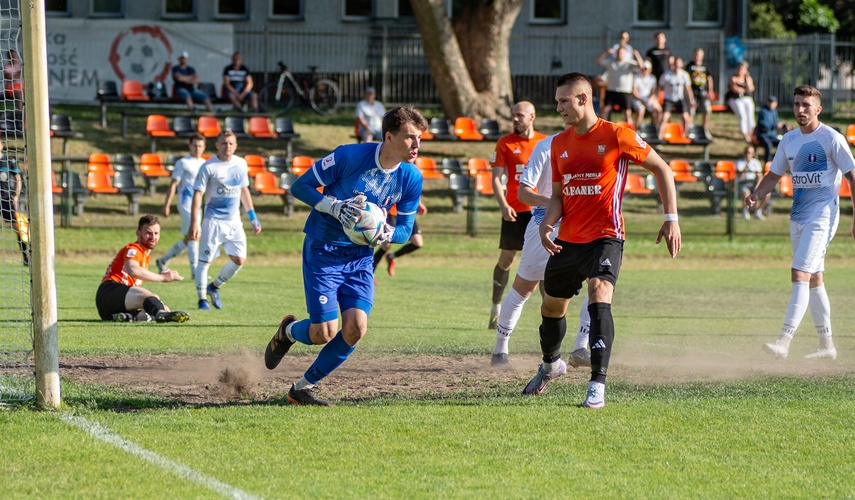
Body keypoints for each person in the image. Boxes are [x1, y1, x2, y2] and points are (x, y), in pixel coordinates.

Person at [523, 72, 681, 408]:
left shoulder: (617, 134)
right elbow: (559, 194)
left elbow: (662, 169)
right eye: (557, 101)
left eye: (564, 101)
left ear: (583, 98)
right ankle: (551, 365)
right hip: (568, 239)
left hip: (606, 236)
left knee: (599, 295)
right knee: (551, 306)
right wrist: (546, 225)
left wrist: (671, 219)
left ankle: (597, 385)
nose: (559, 107)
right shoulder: (559, 143)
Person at [263, 106, 427, 406]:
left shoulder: (411, 177)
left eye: (419, 139)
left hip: (361, 257)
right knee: (324, 331)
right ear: (389, 136)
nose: (416, 146)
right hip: (324, 249)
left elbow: (404, 229)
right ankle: (287, 332)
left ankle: (302, 388)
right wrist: (333, 206)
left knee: (356, 329)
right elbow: (300, 186)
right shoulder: (349, 156)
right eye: (410, 138)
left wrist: (386, 234)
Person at [746, 85, 855, 361]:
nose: (800, 109)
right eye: (796, 104)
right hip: (798, 217)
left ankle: (784, 341)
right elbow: (774, 175)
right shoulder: (789, 140)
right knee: (815, 278)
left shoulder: (832, 138)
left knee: (800, 274)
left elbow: (852, 177)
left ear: (818, 109)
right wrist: (757, 193)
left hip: (823, 217)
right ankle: (827, 345)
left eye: (806, 105)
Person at [491, 126, 591, 368]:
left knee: (599, 284)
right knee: (523, 288)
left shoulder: (595, 145)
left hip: (584, 225)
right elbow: (524, 192)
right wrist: (555, 203)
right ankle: (500, 350)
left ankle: (581, 347)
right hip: (546, 224)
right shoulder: (546, 146)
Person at [488, 101, 546, 330]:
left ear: (532, 116)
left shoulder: (544, 142)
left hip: (539, 212)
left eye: (520, 115)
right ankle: (495, 308)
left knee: (545, 262)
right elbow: (495, 178)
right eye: (513, 115)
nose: (515, 119)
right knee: (507, 259)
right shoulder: (505, 143)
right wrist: (502, 205)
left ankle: (548, 312)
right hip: (514, 210)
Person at [189, 130, 261, 310]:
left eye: (230, 143)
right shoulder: (208, 167)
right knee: (205, 261)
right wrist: (194, 222)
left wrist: (253, 217)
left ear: (236, 145)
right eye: (224, 143)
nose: (227, 146)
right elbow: (198, 195)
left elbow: (244, 191)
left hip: (234, 222)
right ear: (217, 145)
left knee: (239, 259)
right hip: (212, 221)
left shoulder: (241, 164)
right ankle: (202, 300)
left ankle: (214, 287)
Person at [95, 214, 190, 323]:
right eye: (148, 233)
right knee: (150, 298)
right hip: (109, 292)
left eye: (156, 233)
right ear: (138, 233)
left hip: (115, 306)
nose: (153, 237)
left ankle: (126, 317)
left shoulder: (145, 256)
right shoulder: (134, 249)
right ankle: (159, 315)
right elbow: (133, 269)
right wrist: (162, 278)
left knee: (161, 307)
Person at [156, 133, 207, 278]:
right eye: (195, 145)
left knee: (189, 238)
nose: (197, 148)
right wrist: (167, 204)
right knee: (194, 235)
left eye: (200, 146)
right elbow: (174, 184)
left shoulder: (204, 163)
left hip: (198, 204)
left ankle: (162, 260)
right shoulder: (183, 163)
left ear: (204, 147)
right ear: (190, 146)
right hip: (185, 202)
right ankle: (195, 272)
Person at [373, 201, 427, 276]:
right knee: (386, 245)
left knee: (418, 242)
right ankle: (371, 273)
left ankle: (391, 257)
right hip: (391, 211)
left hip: (407, 211)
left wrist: (419, 204)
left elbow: (411, 190)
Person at [595, 45, 643, 122]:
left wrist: (637, 55)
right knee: (606, 110)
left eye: (622, 53)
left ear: (625, 54)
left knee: (627, 112)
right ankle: (604, 129)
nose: (620, 54)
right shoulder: (611, 62)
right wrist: (606, 53)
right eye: (618, 52)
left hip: (625, 91)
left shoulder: (629, 63)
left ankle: (629, 129)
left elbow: (641, 67)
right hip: (612, 90)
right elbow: (598, 61)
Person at [0, 140, 27, 266]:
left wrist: (16, 195)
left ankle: (25, 255)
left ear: (1, 145)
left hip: (7, 198)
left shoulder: (9, 160)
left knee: (18, 228)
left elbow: (18, 179)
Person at [658, 57, 694, 137]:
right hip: (669, 99)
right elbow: (659, 87)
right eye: (675, 63)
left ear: (681, 64)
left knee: (686, 118)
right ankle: (659, 135)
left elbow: (688, 89)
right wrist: (658, 99)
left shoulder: (684, 75)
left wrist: (691, 100)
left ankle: (685, 135)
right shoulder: (666, 75)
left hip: (679, 99)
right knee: (664, 117)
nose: (676, 65)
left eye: (678, 63)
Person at [754, 95, 791, 164]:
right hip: (763, 135)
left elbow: (777, 121)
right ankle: (767, 163)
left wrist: (784, 123)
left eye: (773, 102)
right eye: (770, 102)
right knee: (768, 145)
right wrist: (775, 125)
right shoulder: (763, 112)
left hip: (772, 135)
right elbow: (764, 125)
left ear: (776, 104)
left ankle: (778, 162)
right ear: (767, 102)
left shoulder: (774, 112)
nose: (771, 104)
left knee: (781, 143)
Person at [726, 60, 756, 142]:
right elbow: (735, 89)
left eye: (742, 69)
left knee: (750, 114)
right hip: (735, 99)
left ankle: (752, 133)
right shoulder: (733, 78)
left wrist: (747, 78)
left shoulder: (748, 78)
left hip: (746, 98)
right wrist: (744, 89)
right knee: (742, 115)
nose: (740, 70)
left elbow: (751, 88)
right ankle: (745, 134)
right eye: (739, 68)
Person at [736, 145, 766, 220]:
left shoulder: (756, 163)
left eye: (749, 153)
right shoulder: (740, 162)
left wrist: (757, 186)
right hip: (743, 183)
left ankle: (759, 212)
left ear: (753, 154)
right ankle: (745, 212)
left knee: (767, 193)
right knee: (746, 192)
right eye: (746, 152)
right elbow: (740, 176)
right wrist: (746, 165)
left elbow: (759, 176)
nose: (747, 154)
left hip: (754, 183)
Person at [687, 48, 714, 131]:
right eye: (696, 55)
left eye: (699, 55)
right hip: (693, 91)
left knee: (707, 110)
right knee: (691, 111)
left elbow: (709, 78)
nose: (697, 57)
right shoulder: (689, 66)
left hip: (703, 91)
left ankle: (704, 130)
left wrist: (710, 90)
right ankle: (690, 129)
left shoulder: (705, 67)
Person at [631, 59, 662, 130]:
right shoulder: (636, 77)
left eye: (647, 69)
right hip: (638, 99)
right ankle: (637, 129)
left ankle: (656, 128)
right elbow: (634, 91)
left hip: (649, 99)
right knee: (641, 110)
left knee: (658, 110)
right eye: (644, 69)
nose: (645, 71)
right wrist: (642, 100)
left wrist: (650, 99)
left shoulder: (652, 78)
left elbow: (653, 92)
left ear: (650, 70)